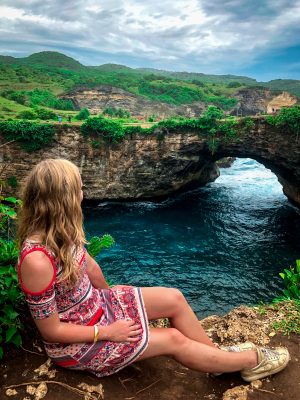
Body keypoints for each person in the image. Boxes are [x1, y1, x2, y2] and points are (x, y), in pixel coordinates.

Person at [17, 159, 290, 381]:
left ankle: (217, 359)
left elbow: (90, 265)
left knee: (174, 297)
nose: (83, 194)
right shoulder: (37, 260)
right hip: (78, 343)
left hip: (97, 307)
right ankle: (251, 361)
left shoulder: (64, 232)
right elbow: (51, 331)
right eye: (78, 188)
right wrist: (108, 332)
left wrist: (111, 296)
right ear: (62, 200)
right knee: (172, 339)